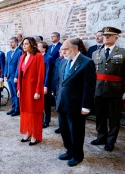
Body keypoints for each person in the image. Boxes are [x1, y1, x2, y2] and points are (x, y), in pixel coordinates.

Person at [56, 38, 96, 167]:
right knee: (64, 130)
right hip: (62, 103)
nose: (63, 52)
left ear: (75, 49)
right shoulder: (63, 62)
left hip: (76, 105)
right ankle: (69, 150)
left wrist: (86, 106)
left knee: (76, 132)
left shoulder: (86, 63)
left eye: (65, 49)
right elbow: (60, 82)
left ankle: (77, 155)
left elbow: (89, 87)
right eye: (62, 50)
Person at [91, 27, 125, 151]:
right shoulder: (95, 53)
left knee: (114, 118)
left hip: (115, 90)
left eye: (110, 35)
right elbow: (92, 74)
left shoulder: (124, 52)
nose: (106, 37)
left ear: (116, 38)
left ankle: (110, 141)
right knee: (100, 116)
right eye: (105, 35)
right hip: (98, 90)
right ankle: (101, 137)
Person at [17, 37, 45, 145]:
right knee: (25, 111)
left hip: (33, 89)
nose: (24, 46)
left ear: (32, 45)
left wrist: (38, 91)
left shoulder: (38, 56)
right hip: (24, 88)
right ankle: (28, 132)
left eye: (26, 44)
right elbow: (19, 74)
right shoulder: (22, 57)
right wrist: (19, 88)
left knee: (34, 112)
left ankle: (35, 135)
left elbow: (40, 75)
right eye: (23, 44)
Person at [4, 37, 22, 116]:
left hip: (15, 76)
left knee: (16, 93)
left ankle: (17, 109)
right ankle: (13, 107)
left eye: (12, 42)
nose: (10, 44)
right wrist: (5, 75)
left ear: (16, 43)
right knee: (12, 93)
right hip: (9, 76)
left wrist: (16, 76)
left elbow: (19, 65)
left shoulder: (19, 52)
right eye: (10, 42)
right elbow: (6, 64)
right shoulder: (8, 53)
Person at [38, 41, 54, 128]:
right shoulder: (37, 57)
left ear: (44, 48)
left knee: (46, 104)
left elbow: (48, 73)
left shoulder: (48, 58)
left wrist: (45, 86)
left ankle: (46, 120)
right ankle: (40, 119)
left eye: (39, 46)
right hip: (38, 83)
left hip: (45, 84)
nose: (37, 48)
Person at [51, 50, 64, 134]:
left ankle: (65, 127)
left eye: (63, 50)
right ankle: (61, 126)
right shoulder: (57, 60)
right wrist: (53, 89)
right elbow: (54, 75)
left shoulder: (66, 61)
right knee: (59, 109)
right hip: (57, 87)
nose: (60, 52)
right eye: (60, 50)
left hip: (64, 88)